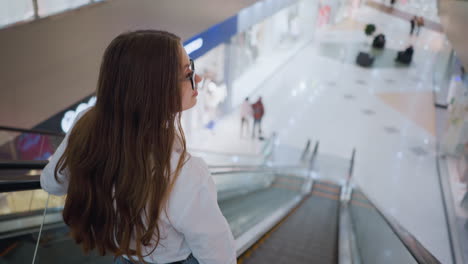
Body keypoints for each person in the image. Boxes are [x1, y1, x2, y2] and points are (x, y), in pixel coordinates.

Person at [40, 30, 236, 264]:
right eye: (188, 73)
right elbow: (219, 257)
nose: (198, 78)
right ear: (157, 90)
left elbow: (50, 183)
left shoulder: (87, 123)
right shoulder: (185, 174)